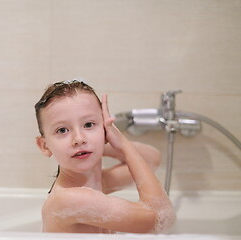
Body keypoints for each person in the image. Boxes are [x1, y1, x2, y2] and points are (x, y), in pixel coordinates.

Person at [34, 80, 175, 234]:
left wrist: (102, 142)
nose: (79, 138)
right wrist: (120, 143)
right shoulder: (69, 200)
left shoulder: (98, 183)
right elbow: (161, 219)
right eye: (62, 130)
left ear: (104, 130)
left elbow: (152, 159)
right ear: (45, 146)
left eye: (88, 125)